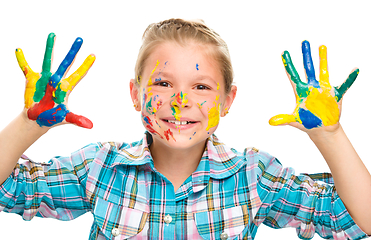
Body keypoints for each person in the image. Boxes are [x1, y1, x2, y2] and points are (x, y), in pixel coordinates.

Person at [0, 18, 370, 240]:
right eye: (162, 84)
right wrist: (28, 124)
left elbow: (358, 218)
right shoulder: (100, 167)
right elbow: (9, 189)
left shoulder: (253, 176)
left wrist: (329, 135)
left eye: (201, 87)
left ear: (227, 101)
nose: (180, 102)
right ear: (135, 93)